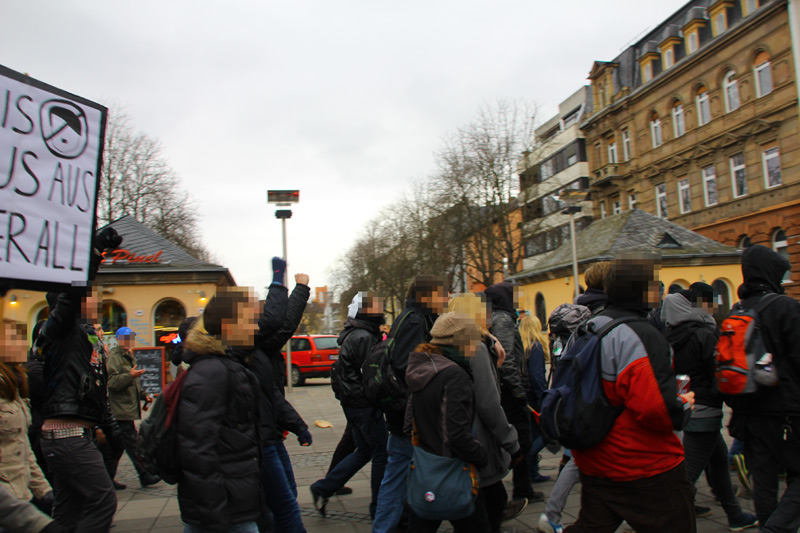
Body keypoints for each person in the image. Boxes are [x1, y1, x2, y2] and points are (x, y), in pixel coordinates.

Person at [564, 253, 696, 533]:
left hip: (594, 456)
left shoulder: (591, 327)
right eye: (655, 286)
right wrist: (683, 404)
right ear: (645, 291)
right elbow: (654, 409)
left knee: (592, 526)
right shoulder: (641, 335)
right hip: (641, 462)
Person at [36, 225, 123, 533]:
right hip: (67, 436)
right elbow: (73, 294)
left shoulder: (82, 337)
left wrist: (110, 431)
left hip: (73, 437)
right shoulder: (60, 331)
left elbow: (97, 389)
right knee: (103, 501)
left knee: (68, 514)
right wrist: (94, 254)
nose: (93, 297)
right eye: (87, 293)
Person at [661, 289, 757, 531]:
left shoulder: (666, 337)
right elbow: (718, 371)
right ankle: (657, 520)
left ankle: (735, 515)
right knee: (688, 477)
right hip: (706, 410)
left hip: (687, 406)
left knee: (719, 463)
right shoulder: (703, 335)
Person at [177, 287, 263, 533]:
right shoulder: (212, 372)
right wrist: (215, 515)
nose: (256, 328)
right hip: (222, 509)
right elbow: (196, 449)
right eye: (250, 321)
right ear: (228, 325)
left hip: (231, 501)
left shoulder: (227, 365)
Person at [728, 245, 800, 532]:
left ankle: (767, 524)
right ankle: (776, 529)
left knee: (765, 479)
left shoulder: (739, 310)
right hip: (788, 412)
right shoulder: (786, 307)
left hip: (749, 412)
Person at [373, 275, 448, 533]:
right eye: (443, 294)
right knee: (405, 476)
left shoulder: (414, 317)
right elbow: (408, 366)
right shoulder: (415, 320)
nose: (447, 299)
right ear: (426, 297)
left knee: (400, 475)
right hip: (410, 413)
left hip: (404, 412)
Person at [404, 311, 490, 532]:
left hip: (425, 468)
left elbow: (408, 424)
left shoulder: (423, 367)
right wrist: (481, 456)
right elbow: (455, 434)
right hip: (453, 469)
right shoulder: (454, 375)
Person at [310, 292, 388, 519]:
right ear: (365, 310)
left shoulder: (357, 333)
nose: (380, 307)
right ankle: (379, 508)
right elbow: (371, 374)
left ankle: (323, 487)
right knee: (381, 453)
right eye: (375, 305)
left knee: (364, 451)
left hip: (353, 403)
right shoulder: (363, 336)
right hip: (364, 405)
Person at [449, 294, 523, 532]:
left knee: (488, 502)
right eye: (483, 309)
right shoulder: (475, 347)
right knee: (488, 506)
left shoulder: (449, 343)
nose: (488, 312)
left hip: (455, 438)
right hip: (478, 441)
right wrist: (511, 441)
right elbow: (489, 403)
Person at [249, 263, 313, 533]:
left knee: (282, 500)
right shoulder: (250, 349)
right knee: (283, 506)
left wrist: (296, 425)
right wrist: (289, 283)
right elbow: (280, 323)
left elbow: (272, 395)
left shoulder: (259, 350)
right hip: (259, 441)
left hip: (270, 434)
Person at [537, 303, 592, 533]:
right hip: (585, 407)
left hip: (567, 402)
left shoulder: (562, 341)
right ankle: (553, 514)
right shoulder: (585, 340)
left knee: (576, 460)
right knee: (577, 460)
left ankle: (553, 514)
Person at [484, 281, 540, 504]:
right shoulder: (504, 319)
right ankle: (522, 489)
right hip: (509, 392)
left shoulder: (492, 318)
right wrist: (519, 393)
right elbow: (506, 362)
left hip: (501, 390)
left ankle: (519, 487)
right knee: (521, 439)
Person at [0, 320, 53, 516]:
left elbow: (22, 446)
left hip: (20, 494)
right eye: (14, 339)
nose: (23, 344)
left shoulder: (16, 384)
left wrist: (43, 489)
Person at [107, 327, 161, 488]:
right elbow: (112, 383)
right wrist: (129, 375)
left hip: (127, 410)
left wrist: (144, 395)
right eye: (124, 337)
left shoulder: (128, 356)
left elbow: (132, 383)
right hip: (120, 410)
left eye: (130, 337)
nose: (128, 340)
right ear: (118, 339)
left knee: (117, 447)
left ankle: (107, 479)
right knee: (132, 444)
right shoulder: (115, 357)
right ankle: (145, 475)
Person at [519, 314, 550, 484]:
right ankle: (530, 465)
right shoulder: (535, 347)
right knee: (544, 434)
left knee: (530, 434)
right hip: (533, 396)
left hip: (523, 396)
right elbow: (538, 377)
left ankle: (532, 471)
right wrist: (543, 399)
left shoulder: (520, 347)